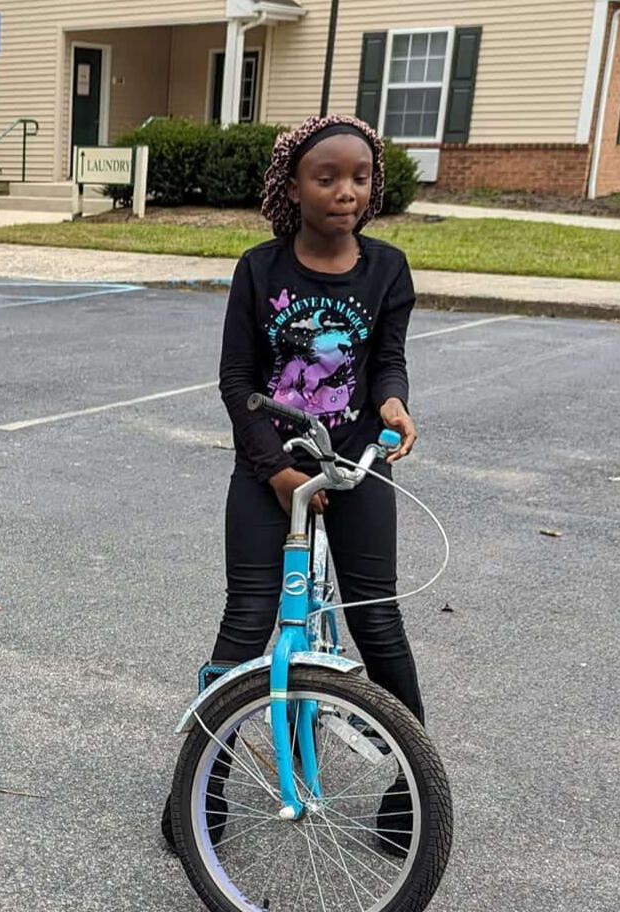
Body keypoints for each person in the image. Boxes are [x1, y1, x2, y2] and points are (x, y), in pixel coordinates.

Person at [164, 113, 422, 855]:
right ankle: (198, 794)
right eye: (327, 177)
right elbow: (237, 380)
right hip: (268, 468)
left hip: (354, 464)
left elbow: (386, 363)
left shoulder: (388, 269)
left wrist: (394, 405)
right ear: (293, 187)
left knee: (378, 620)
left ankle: (412, 792)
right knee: (247, 622)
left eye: (360, 178)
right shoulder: (260, 269)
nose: (346, 192)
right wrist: (274, 470)